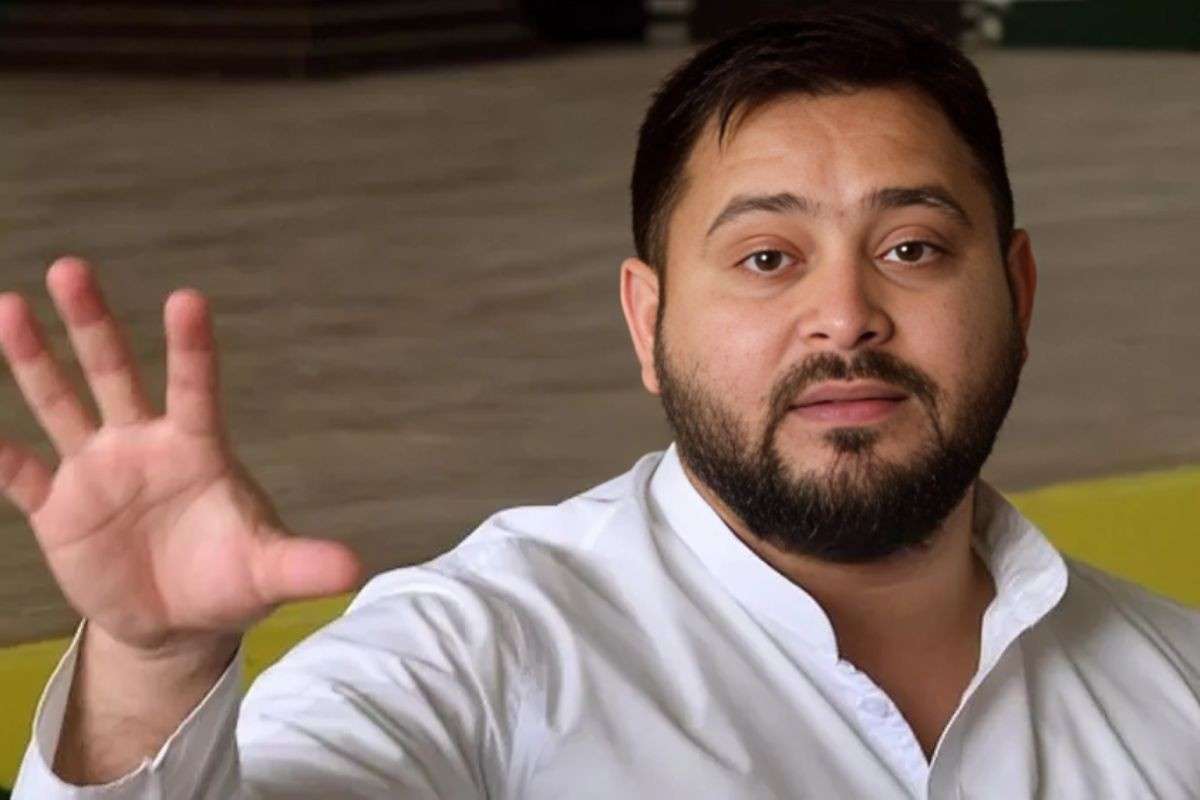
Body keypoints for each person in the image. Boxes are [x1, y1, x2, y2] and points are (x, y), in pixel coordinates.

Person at [7, 9, 1198, 799]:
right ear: (647, 320)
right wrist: (151, 669)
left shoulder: (1173, 678)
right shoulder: (480, 653)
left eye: (913, 248)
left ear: (1017, 291)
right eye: (767, 258)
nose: (844, 317)